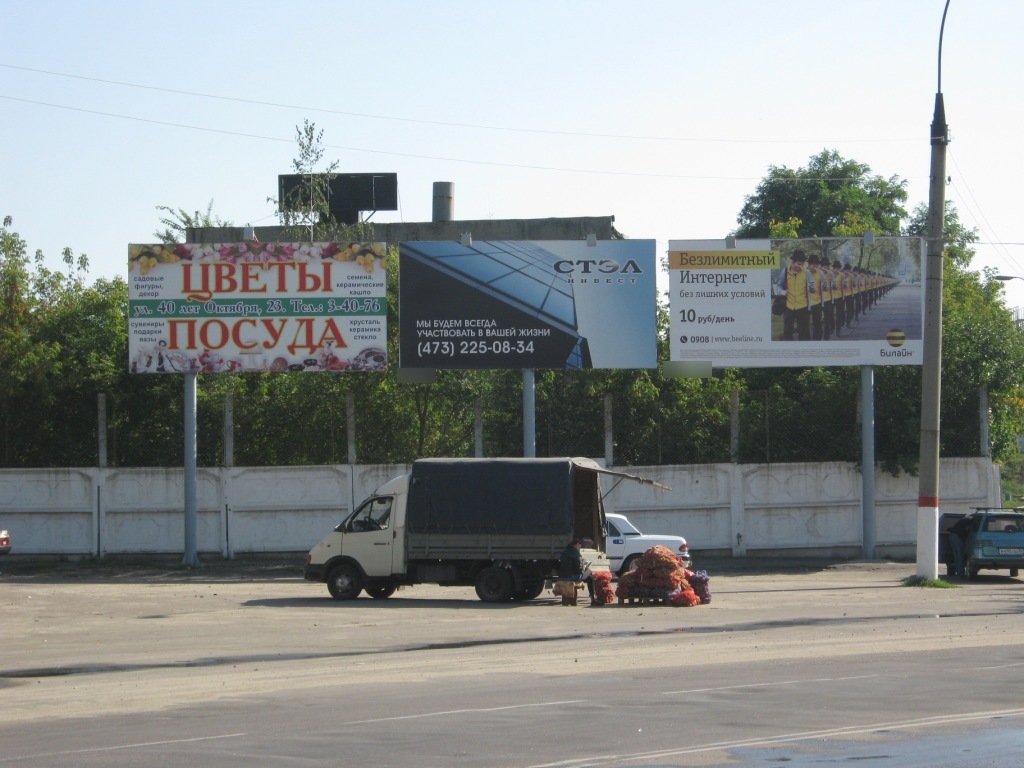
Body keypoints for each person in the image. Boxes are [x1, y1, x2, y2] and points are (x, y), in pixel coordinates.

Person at [559, 538, 595, 603]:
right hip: (572, 577)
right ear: (576, 544)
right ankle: (593, 599)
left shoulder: (565, 552)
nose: (580, 546)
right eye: (580, 544)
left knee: (589, 575)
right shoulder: (575, 553)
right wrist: (584, 567)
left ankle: (593, 598)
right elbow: (579, 569)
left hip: (563, 576)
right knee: (590, 577)